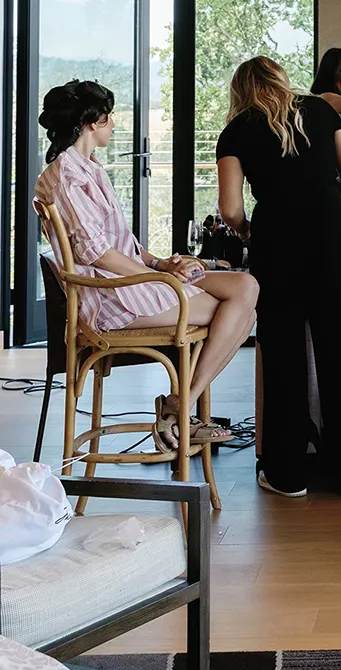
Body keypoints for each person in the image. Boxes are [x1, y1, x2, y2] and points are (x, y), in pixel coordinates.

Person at [35, 80, 256, 452]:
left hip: (133, 284)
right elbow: (96, 254)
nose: (114, 125)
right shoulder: (67, 178)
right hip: (113, 300)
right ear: (92, 122)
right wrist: (156, 275)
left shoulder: (89, 168)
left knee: (245, 289)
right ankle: (181, 408)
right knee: (237, 311)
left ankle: (179, 404)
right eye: (109, 118)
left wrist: (160, 262)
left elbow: (121, 243)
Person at [216, 56, 341, 499]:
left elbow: (230, 209)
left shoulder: (237, 130)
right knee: (340, 351)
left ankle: (287, 475)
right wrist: (325, 201)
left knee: (283, 356)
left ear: (241, 90)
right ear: (282, 80)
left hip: (277, 242)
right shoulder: (321, 110)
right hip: (329, 237)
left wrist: (248, 230)